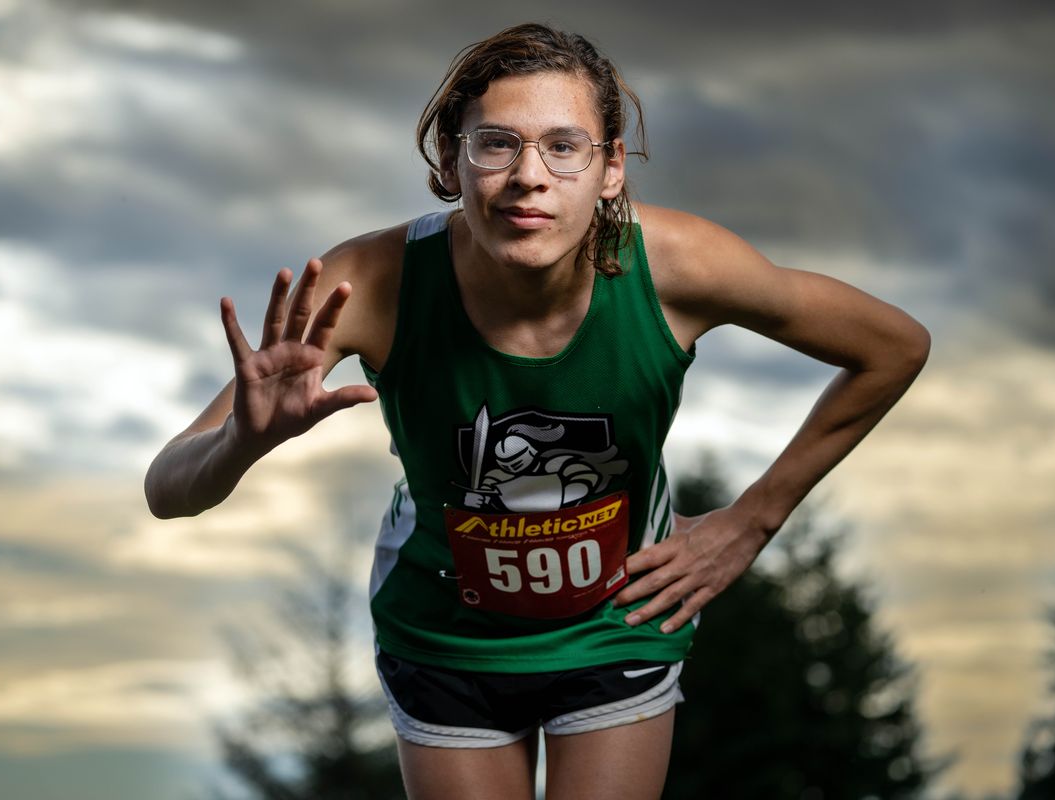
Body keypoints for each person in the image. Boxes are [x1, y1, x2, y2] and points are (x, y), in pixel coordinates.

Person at [145, 22, 931, 800]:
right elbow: (167, 489)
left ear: (611, 168)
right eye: (497, 144)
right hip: (443, 634)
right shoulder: (369, 283)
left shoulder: (681, 266)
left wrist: (752, 520)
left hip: (618, 617)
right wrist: (240, 444)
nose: (530, 175)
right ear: (453, 161)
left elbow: (894, 346)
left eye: (564, 146)